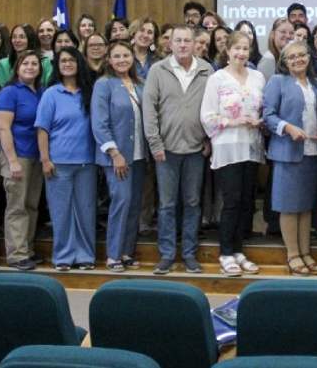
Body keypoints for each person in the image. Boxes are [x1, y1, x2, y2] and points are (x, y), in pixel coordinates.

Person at [142, 25, 213, 275]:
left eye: (187, 41)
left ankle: (190, 254)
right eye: (178, 40)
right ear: (170, 44)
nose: (183, 45)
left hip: (196, 149)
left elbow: (213, 107)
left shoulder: (206, 70)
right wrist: (155, 144)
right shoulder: (157, 70)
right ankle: (167, 254)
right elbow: (149, 110)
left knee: (193, 203)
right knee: (167, 205)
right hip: (166, 150)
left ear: (195, 44)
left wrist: (209, 139)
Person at [200, 32, 265, 277]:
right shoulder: (217, 78)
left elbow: (264, 109)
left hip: (252, 146)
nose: (241, 53)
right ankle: (226, 253)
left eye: (245, 48)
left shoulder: (258, 77)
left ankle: (238, 251)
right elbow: (207, 116)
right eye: (237, 48)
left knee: (246, 201)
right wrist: (235, 121)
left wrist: (260, 121)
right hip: (228, 147)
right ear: (227, 50)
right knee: (231, 201)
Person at [263, 41, 317, 276]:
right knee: (289, 206)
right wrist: (288, 128)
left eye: (301, 55)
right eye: (292, 57)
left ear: (309, 57)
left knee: (306, 206)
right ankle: (293, 254)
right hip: (287, 152)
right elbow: (268, 115)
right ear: (284, 62)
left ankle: (305, 251)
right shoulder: (278, 81)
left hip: (313, 150)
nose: (298, 60)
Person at [35, 47, 96, 272]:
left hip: (87, 163)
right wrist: (45, 159)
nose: (68, 64)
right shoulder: (51, 94)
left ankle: (85, 256)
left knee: (86, 212)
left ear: (79, 63)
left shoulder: (89, 92)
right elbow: (42, 129)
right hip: (58, 163)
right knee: (61, 212)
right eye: (63, 61)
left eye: (72, 60)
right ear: (57, 66)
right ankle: (63, 256)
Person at [92, 41, 147, 273]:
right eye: (117, 56)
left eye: (126, 55)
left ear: (132, 58)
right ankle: (113, 254)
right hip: (117, 156)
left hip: (139, 155)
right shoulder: (104, 84)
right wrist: (115, 153)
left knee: (134, 204)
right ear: (109, 60)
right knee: (121, 202)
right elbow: (99, 123)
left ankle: (126, 252)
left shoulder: (139, 83)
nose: (122, 60)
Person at [0, 50, 44, 271]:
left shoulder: (40, 91)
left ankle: (28, 249)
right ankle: (16, 254)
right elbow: (3, 128)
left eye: (34, 64)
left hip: (37, 156)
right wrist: (12, 161)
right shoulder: (9, 92)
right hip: (17, 155)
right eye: (25, 64)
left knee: (31, 205)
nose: (30, 67)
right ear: (17, 68)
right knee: (17, 206)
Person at [0, 23, 52, 88]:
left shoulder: (44, 62)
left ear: (30, 39)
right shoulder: (3, 64)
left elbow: (49, 87)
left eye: (22, 37)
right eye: (14, 37)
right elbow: (2, 90)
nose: (17, 40)